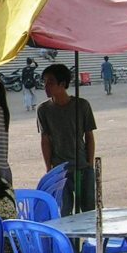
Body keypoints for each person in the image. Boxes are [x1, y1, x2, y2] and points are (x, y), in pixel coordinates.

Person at [37, 63, 97, 216]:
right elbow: (45, 140)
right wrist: (48, 167)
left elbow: (89, 136)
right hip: (60, 169)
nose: (46, 86)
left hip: (82, 166)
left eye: (50, 82)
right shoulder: (43, 110)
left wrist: (89, 164)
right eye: (44, 82)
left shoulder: (82, 105)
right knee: (64, 211)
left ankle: (86, 240)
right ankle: (69, 241)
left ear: (62, 84)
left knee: (88, 211)